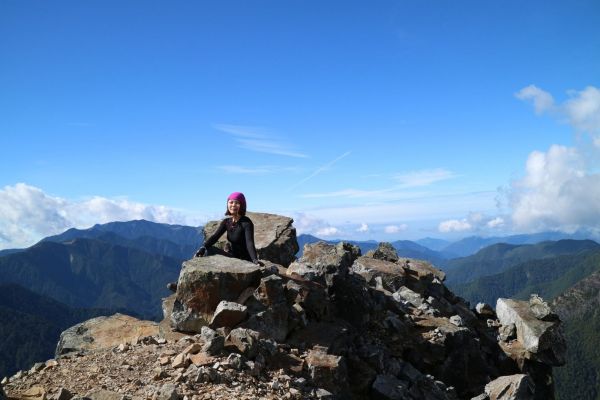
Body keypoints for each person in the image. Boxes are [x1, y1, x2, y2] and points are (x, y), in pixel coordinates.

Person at [194, 192, 260, 264]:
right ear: (227, 204)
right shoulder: (227, 222)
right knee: (208, 249)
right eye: (231, 202)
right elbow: (215, 236)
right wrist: (203, 247)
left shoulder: (246, 223)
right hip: (232, 257)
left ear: (242, 205)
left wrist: (254, 259)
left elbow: (249, 243)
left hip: (244, 261)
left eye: (237, 203)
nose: (233, 205)